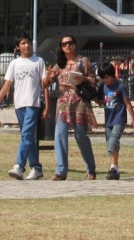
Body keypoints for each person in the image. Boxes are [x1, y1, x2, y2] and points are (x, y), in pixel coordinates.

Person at [0, 33, 47, 181]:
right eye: (23, 43)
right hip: (19, 104)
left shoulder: (38, 61)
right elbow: (7, 84)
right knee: (27, 137)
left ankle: (19, 166)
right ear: (17, 47)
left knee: (27, 134)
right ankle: (36, 167)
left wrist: (46, 105)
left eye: (28, 43)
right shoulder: (14, 63)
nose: (26, 46)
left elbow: (44, 84)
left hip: (33, 103)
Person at [45, 35, 97, 180]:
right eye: (64, 44)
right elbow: (47, 84)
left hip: (79, 100)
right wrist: (49, 76)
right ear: (61, 47)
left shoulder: (83, 61)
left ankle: (91, 168)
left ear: (75, 45)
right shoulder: (59, 64)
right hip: (63, 101)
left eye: (70, 43)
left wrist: (84, 78)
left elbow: (94, 80)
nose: (67, 46)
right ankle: (61, 170)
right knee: (60, 134)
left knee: (80, 135)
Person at [98, 62, 134, 179]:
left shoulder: (120, 86)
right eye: (103, 78)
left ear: (112, 75)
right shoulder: (103, 87)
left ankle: (113, 167)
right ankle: (114, 168)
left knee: (113, 142)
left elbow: (128, 104)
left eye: (107, 77)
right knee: (109, 144)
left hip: (119, 119)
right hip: (108, 120)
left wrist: (133, 120)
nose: (105, 80)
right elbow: (101, 102)